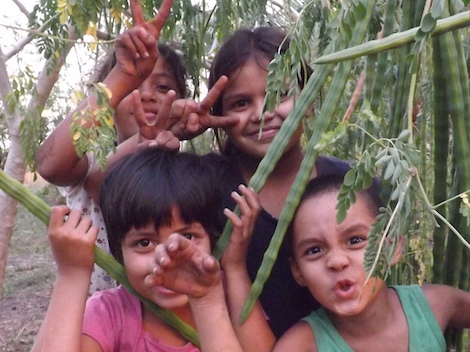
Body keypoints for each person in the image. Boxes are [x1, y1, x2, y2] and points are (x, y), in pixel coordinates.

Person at [31, 147, 266, 352]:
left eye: (187, 236)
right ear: (118, 251)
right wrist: (71, 275)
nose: (168, 258)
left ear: (212, 239)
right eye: (144, 243)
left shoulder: (227, 295)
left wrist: (227, 275)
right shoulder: (110, 313)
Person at [204, 27, 351, 337]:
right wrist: (169, 135)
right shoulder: (203, 185)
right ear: (219, 118)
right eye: (241, 103)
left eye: (280, 94)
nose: (263, 113)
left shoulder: (349, 183)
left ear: (309, 98)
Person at [34, 0, 186, 292]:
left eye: (163, 87)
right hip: (94, 326)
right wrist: (123, 75)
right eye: (131, 89)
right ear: (110, 104)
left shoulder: (183, 169)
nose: (148, 96)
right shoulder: (89, 161)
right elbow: (50, 164)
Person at [271, 175, 470, 351]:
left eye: (355, 240)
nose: (337, 262)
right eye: (315, 250)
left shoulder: (435, 305)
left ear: (391, 247)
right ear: (297, 271)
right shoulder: (300, 346)